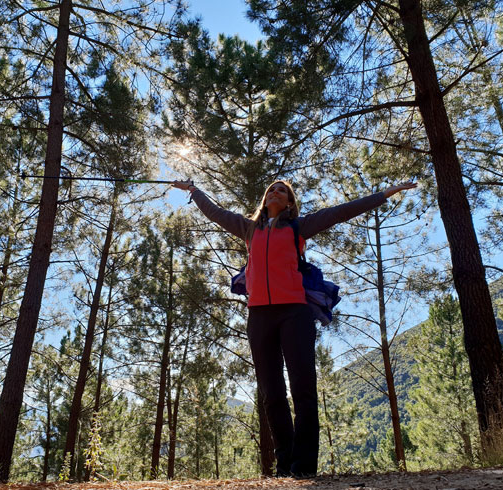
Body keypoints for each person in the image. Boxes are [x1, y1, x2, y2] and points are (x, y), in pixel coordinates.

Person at [172, 178, 417, 478]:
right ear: (264, 200)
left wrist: (386, 193)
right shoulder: (249, 229)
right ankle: (285, 465)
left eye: (282, 191)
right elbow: (215, 211)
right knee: (271, 394)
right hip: (259, 316)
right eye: (271, 190)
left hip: (294, 313)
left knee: (303, 389)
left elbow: (341, 211)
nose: (275, 192)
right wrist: (194, 191)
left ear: (289, 203)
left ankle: (303, 468)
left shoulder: (297, 227)